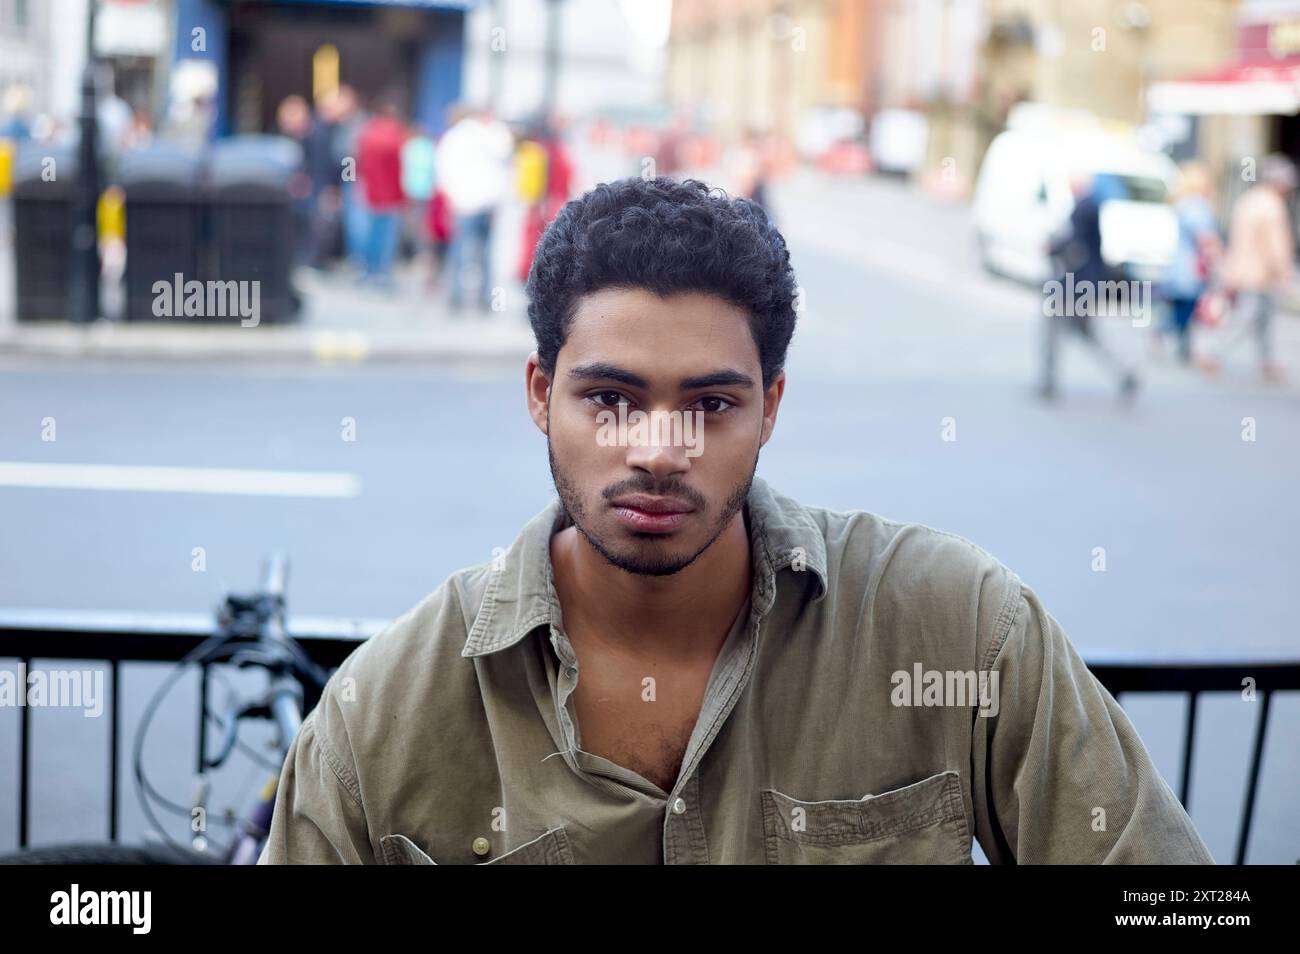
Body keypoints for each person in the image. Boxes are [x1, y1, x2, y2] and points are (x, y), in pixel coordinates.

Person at [259, 177, 1213, 865]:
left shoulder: (956, 623)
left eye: (712, 405)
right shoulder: (380, 715)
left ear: (772, 406)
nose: (661, 451)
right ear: (542, 396)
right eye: (613, 400)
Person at [1040, 172, 1139, 402]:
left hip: (1075, 285)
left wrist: (1053, 248)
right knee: (1086, 333)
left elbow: (1075, 244)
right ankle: (1124, 371)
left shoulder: (1084, 209)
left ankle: (1049, 381)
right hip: (1085, 283)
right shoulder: (1090, 207)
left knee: (1054, 330)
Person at [1202, 154, 1296, 382]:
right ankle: (1215, 353)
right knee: (1248, 316)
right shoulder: (1272, 207)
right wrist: (1285, 271)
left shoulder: (1249, 200)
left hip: (1243, 268)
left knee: (1263, 318)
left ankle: (1268, 362)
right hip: (1260, 273)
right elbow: (1275, 245)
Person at [437, 103, 515, 311]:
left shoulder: (454, 137)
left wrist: (452, 198)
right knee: (484, 254)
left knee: (460, 251)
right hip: (486, 202)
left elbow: (443, 170)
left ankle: (455, 298)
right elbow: (505, 165)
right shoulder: (493, 135)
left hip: (465, 202)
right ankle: (484, 300)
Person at [1156, 162, 1222, 365]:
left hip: (1181, 265)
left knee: (1183, 307)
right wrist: (1220, 258)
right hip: (1192, 268)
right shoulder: (1197, 207)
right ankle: (1165, 334)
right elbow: (1205, 238)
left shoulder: (1183, 204)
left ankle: (1180, 344)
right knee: (1188, 307)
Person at [355, 89, 409, 289]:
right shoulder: (396, 135)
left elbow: (355, 163)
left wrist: (355, 185)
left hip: (369, 192)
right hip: (390, 194)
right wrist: (403, 195)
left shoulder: (365, 134)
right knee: (387, 239)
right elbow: (400, 169)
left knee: (369, 235)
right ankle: (382, 275)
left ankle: (367, 271)